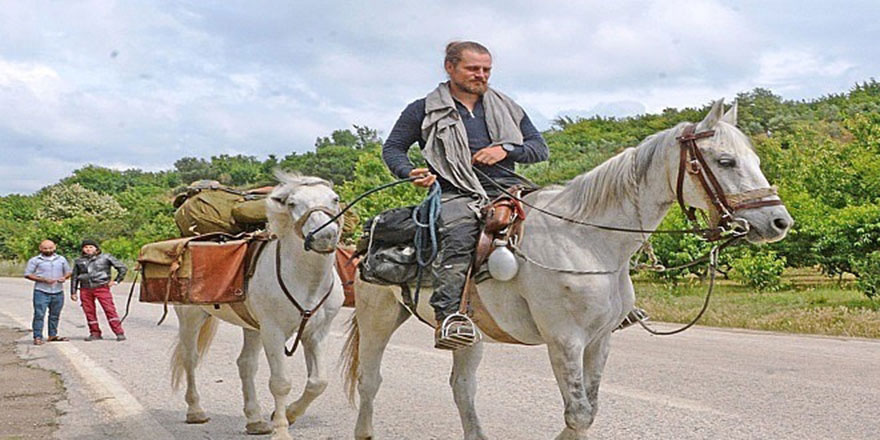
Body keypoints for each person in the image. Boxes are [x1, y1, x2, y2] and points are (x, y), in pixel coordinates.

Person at [382, 41, 549, 349]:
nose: (481, 75)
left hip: (508, 186)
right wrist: (410, 172)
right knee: (459, 233)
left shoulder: (507, 106)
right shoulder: (422, 109)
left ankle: (597, 299)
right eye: (473, 68)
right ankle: (448, 318)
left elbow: (539, 149)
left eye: (486, 69)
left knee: (560, 218)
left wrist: (506, 149)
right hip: (453, 189)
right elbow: (392, 149)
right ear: (450, 68)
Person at [71, 239, 128, 341]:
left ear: (96, 249)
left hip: (101, 286)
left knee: (109, 309)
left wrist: (116, 281)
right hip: (85, 288)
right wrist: (73, 291)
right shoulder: (79, 261)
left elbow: (122, 268)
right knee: (89, 311)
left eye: (91, 247)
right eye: (86, 247)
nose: (88, 249)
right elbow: (74, 277)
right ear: (83, 249)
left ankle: (119, 332)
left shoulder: (106, 257)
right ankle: (95, 332)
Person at [23, 240, 72, 345]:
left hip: (58, 291)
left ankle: (52, 335)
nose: (48, 250)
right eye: (45, 248)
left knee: (55, 315)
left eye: (50, 248)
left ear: (55, 247)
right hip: (41, 291)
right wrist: (43, 279)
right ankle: (38, 336)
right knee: (39, 315)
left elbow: (68, 272)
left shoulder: (61, 259)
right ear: (40, 248)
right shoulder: (35, 260)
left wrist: (64, 278)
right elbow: (27, 274)